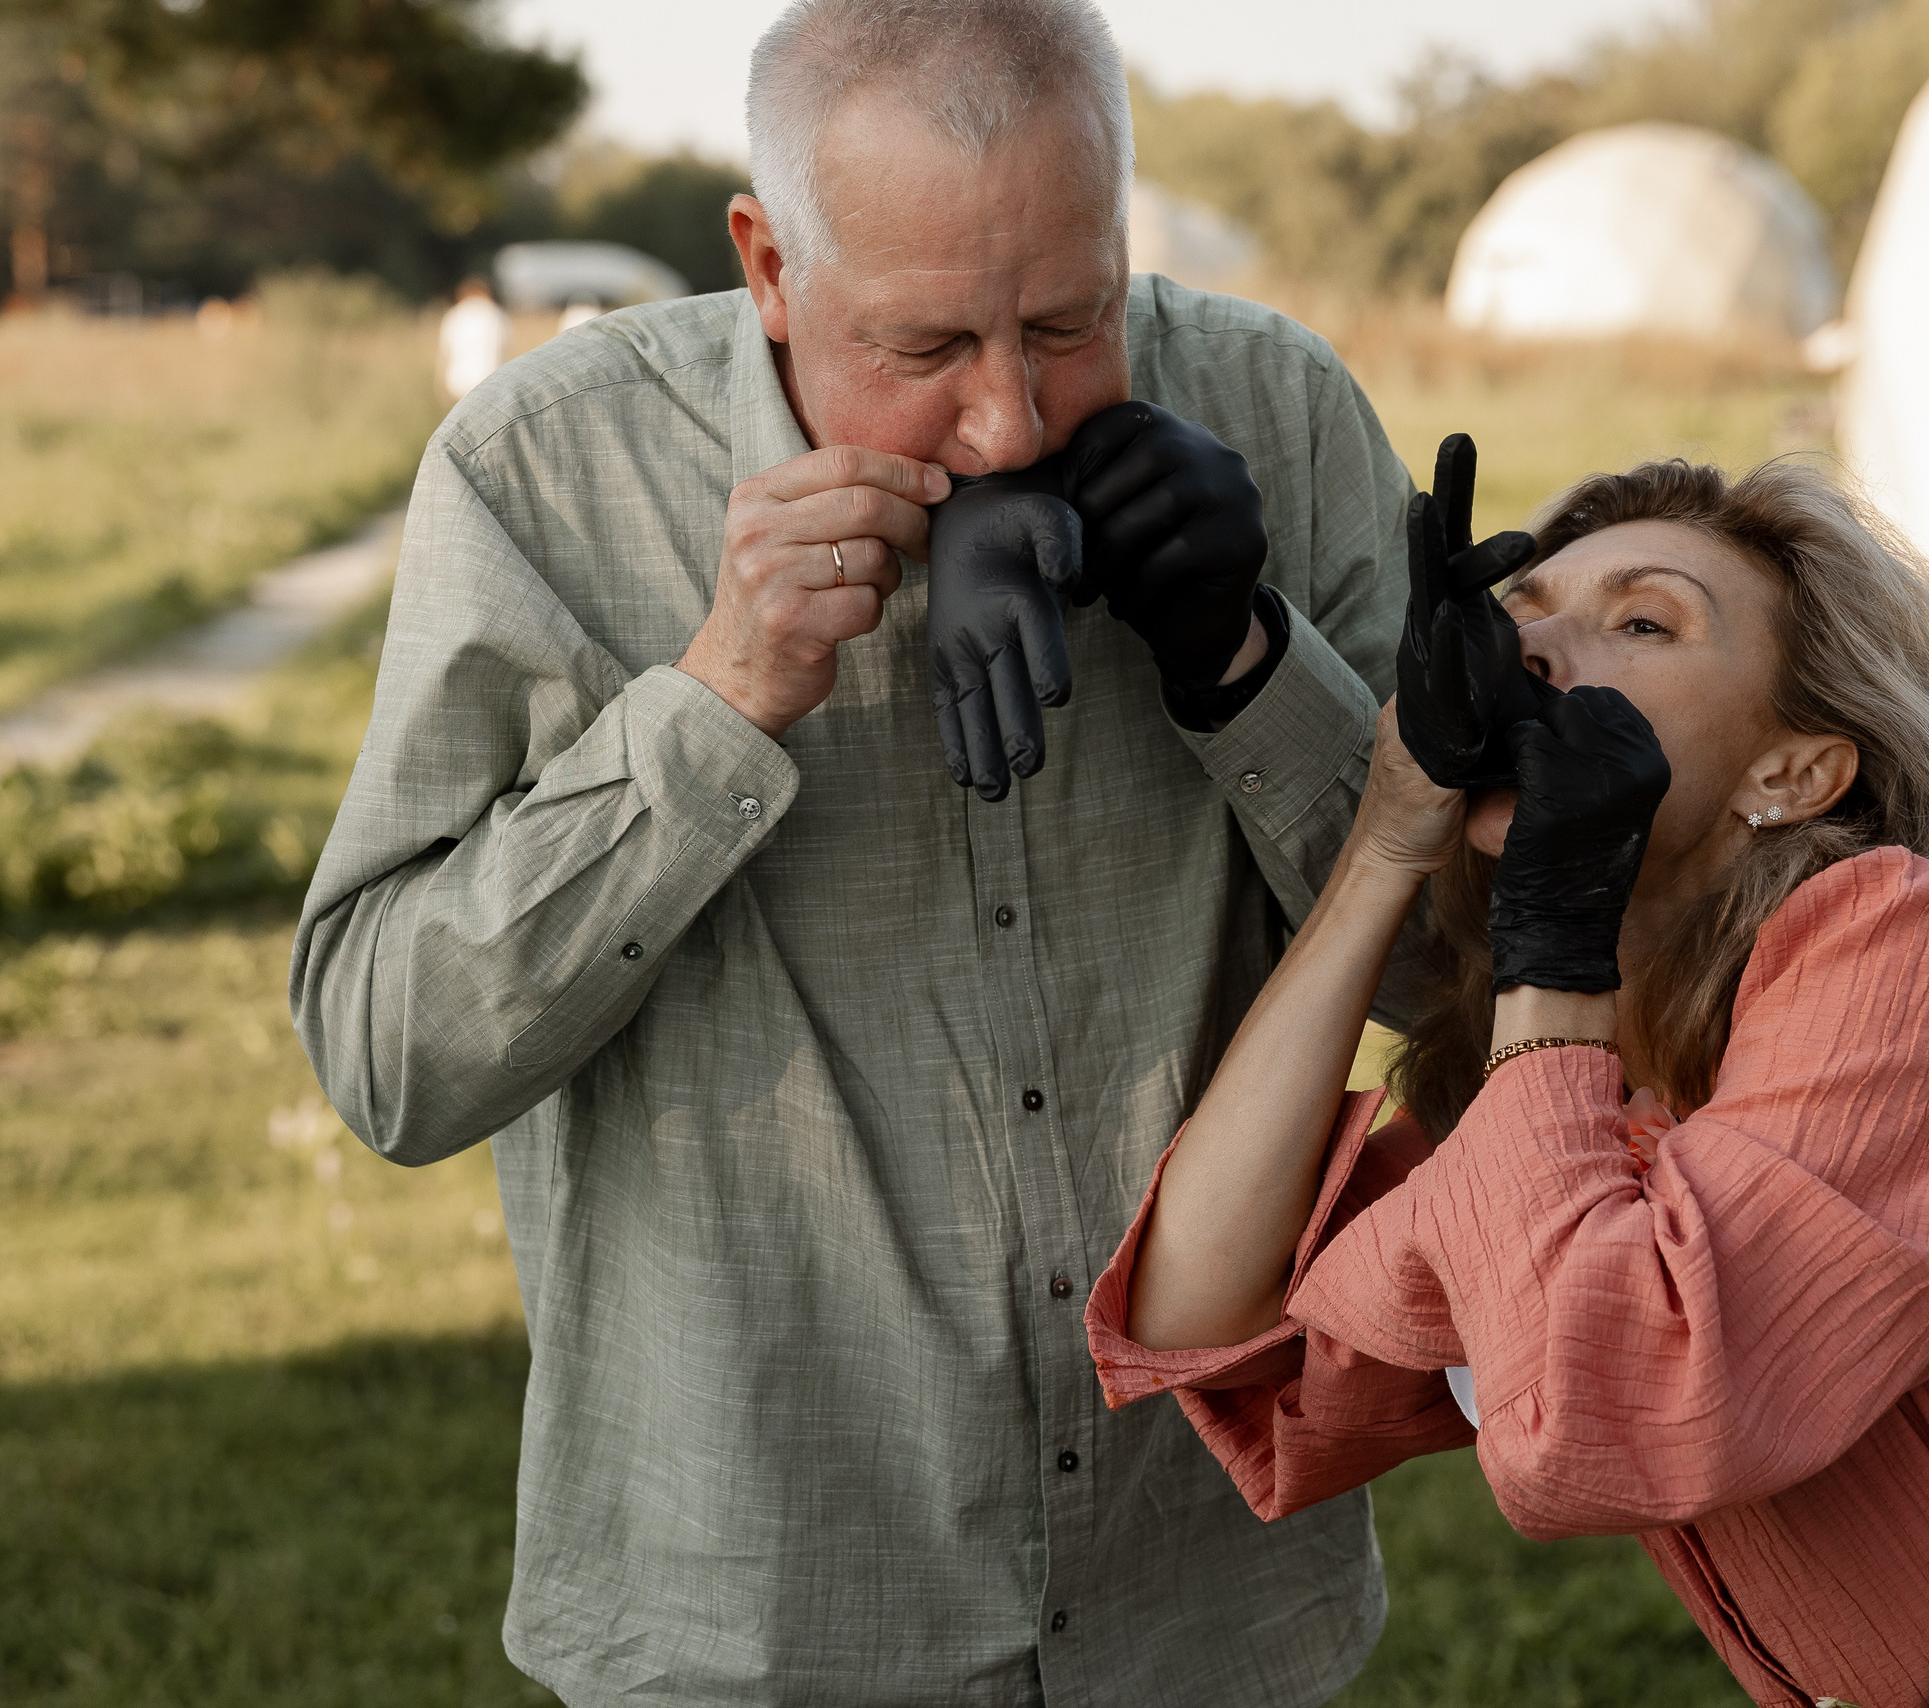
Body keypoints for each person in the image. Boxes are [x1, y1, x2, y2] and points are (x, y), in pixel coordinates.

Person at [292, 1, 1423, 1700]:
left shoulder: (1284, 408)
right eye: (924, 345)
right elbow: (392, 1062)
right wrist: (719, 697)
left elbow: (1470, 982)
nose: (1010, 424)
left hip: (1207, 1604)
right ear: (767, 265)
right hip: (761, 1616)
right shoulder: (548, 473)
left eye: (1069, 320)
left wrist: (1249, 664)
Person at [1085, 451, 1929, 1708]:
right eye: (1521, 614)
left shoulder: (1894, 950)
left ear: (1792, 773)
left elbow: (1617, 1419)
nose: (1529, 651)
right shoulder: (1586, 1074)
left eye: (1642, 623)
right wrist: (1390, 832)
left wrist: (1553, 935)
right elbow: (1197, 1310)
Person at [438, 276, 509, 402]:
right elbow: (505, 348)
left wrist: (440, 384)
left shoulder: (455, 314)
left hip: (458, 383)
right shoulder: (496, 314)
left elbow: (445, 351)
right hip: (489, 379)